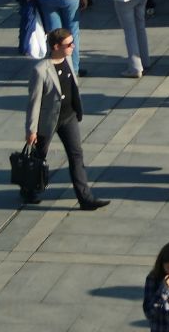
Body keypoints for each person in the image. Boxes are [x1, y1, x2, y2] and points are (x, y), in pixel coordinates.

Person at [22, 28, 108, 209]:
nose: (72, 46)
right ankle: (28, 189)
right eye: (68, 44)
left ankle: (86, 198)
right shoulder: (40, 70)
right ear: (55, 47)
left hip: (68, 117)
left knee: (76, 155)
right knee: (38, 157)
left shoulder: (68, 59)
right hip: (48, 121)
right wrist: (31, 130)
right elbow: (34, 102)